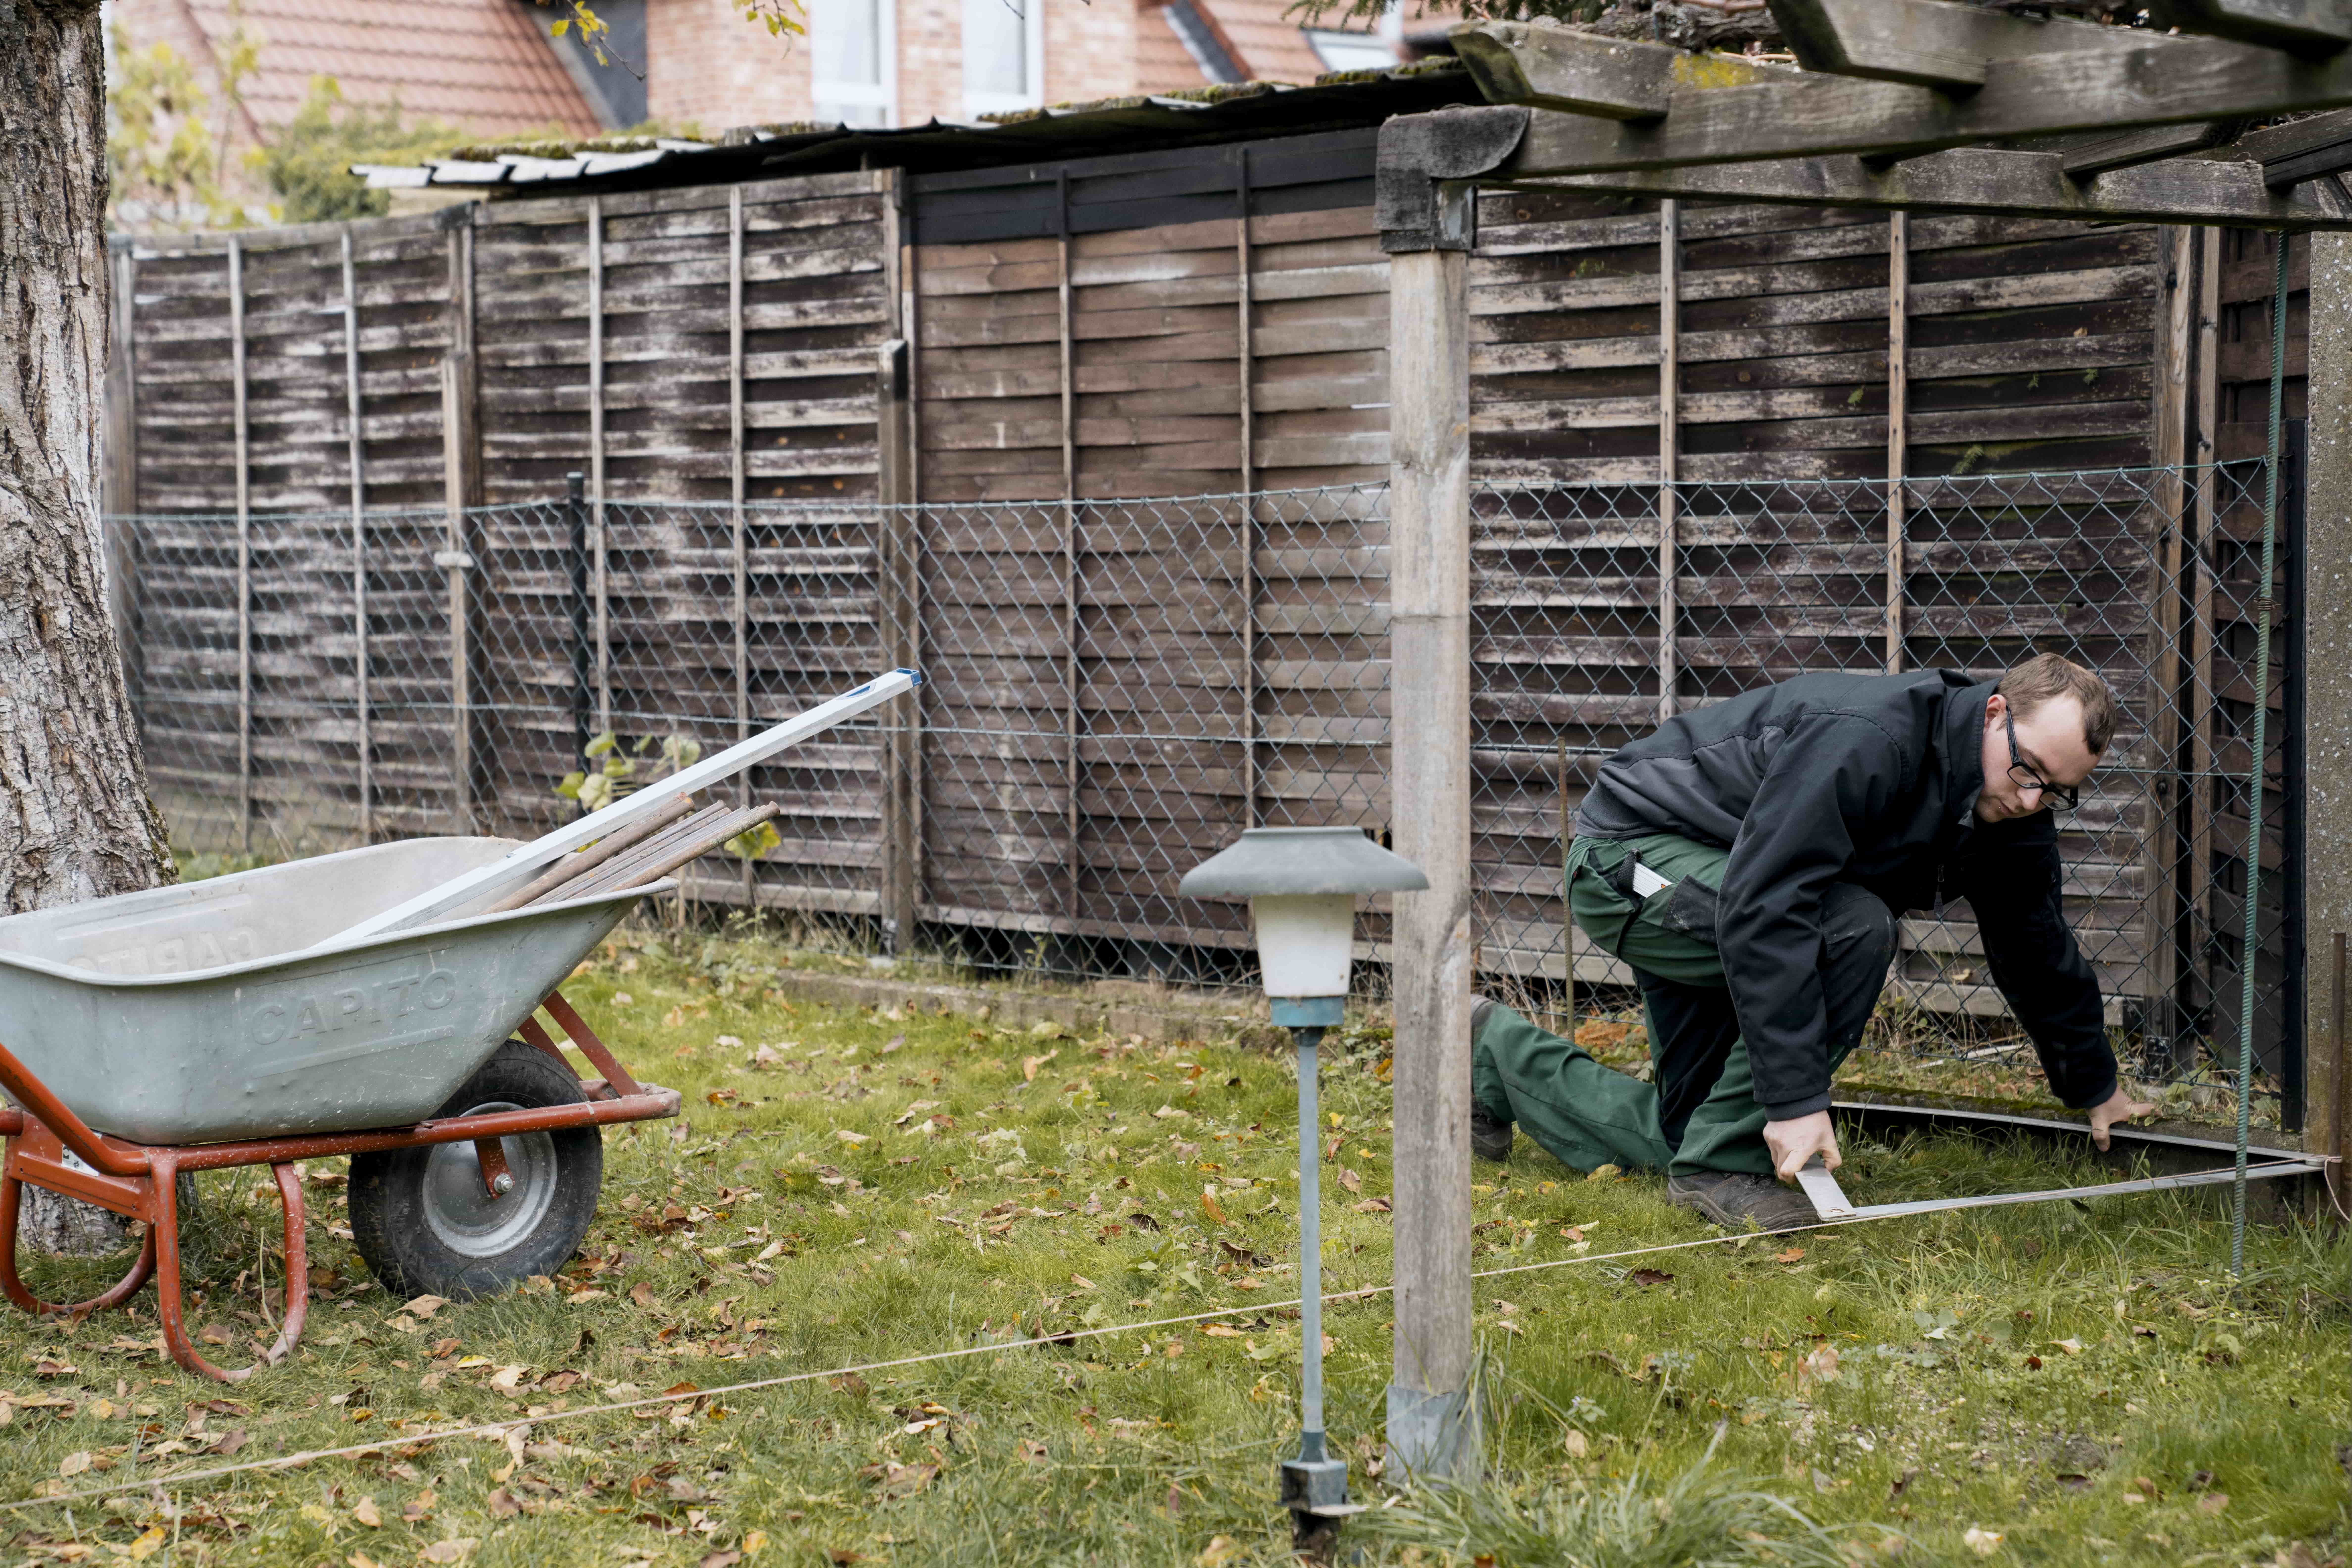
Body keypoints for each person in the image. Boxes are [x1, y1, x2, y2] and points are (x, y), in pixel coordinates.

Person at [1468, 654, 2158, 1230]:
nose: (2033, 800)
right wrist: (1796, 1103)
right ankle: (1722, 1164)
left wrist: (2094, 1084)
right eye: (2030, 771)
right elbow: (1770, 902)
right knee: (1852, 929)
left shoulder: (2007, 806)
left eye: (2057, 791)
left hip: (1727, 888)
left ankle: (1492, 1052)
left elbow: (2035, 943)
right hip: (1634, 862)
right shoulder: (1871, 739)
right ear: (1995, 713)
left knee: (1690, 1130)